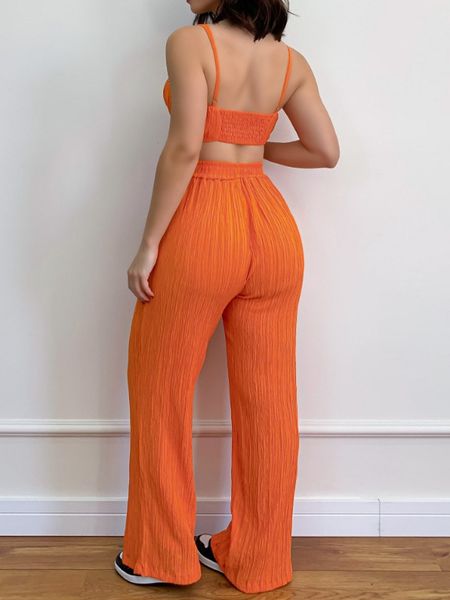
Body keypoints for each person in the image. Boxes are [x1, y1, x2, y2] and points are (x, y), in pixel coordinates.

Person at [114, 0, 339, 594]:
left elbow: (185, 147)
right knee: (270, 403)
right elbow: (325, 151)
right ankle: (259, 560)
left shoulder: (192, 43)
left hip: (203, 223)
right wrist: (255, 146)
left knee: (160, 388)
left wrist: (148, 244)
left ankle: (160, 556)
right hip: (271, 226)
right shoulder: (291, 61)